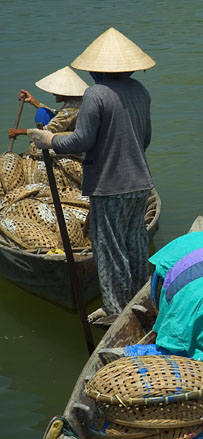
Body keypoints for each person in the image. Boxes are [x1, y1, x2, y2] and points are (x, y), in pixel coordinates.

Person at [29, 27, 154, 316]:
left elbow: (81, 141)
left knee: (110, 251)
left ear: (96, 70)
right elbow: (145, 139)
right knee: (135, 242)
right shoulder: (140, 91)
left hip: (110, 185)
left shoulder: (95, 94)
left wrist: (49, 140)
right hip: (140, 182)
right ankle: (140, 302)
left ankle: (117, 312)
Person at [8, 66, 88, 140]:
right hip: (82, 132)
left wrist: (20, 132)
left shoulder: (72, 107)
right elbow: (60, 115)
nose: (53, 94)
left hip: (82, 138)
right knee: (42, 111)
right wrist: (33, 101)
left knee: (40, 141)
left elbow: (48, 130)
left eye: (56, 92)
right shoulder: (76, 101)